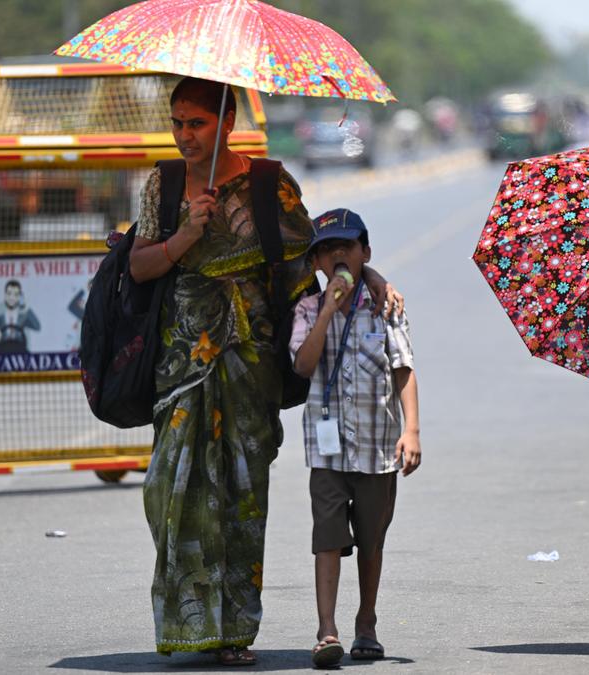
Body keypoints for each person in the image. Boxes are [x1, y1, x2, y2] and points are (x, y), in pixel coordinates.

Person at [126, 77, 401, 666]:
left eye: (196, 122)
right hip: (183, 365)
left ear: (225, 121)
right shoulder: (164, 184)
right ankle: (188, 622)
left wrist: (369, 276)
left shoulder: (269, 184)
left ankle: (234, 632)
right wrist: (185, 236)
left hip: (252, 366)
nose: (183, 135)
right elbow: (140, 267)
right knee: (171, 490)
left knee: (242, 495)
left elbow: (313, 254)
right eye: (176, 123)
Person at [289, 209, 421, 668]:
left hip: (378, 448)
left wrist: (412, 431)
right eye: (328, 250)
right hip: (326, 451)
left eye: (347, 246)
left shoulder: (386, 306)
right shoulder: (307, 310)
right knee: (326, 538)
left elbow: (403, 371)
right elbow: (303, 366)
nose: (338, 255)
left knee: (371, 539)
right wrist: (327, 309)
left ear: (366, 252)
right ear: (318, 263)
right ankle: (327, 630)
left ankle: (367, 621)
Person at [0, 279, 40, 354]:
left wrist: (24, 306)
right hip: (3, 351)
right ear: (5, 295)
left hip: (20, 351)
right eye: (9, 294)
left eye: (15, 294)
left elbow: (37, 327)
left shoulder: (23, 316)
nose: (12, 298)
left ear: (19, 296)